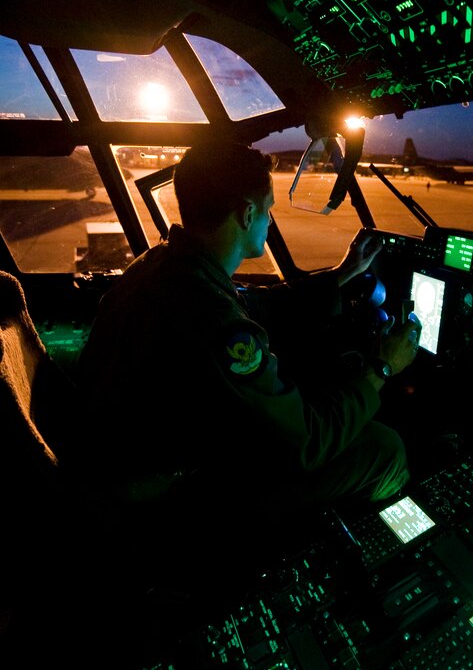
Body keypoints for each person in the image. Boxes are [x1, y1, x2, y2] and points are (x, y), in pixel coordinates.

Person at [69, 140, 420, 590]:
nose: (271, 220)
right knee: (384, 448)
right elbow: (305, 444)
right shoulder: (214, 322)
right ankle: (373, 566)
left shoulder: (165, 266)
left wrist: (341, 274)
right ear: (247, 214)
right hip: (171, 504)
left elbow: (253, 305)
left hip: (128, 462)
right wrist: (382, 369)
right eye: (269, 210)